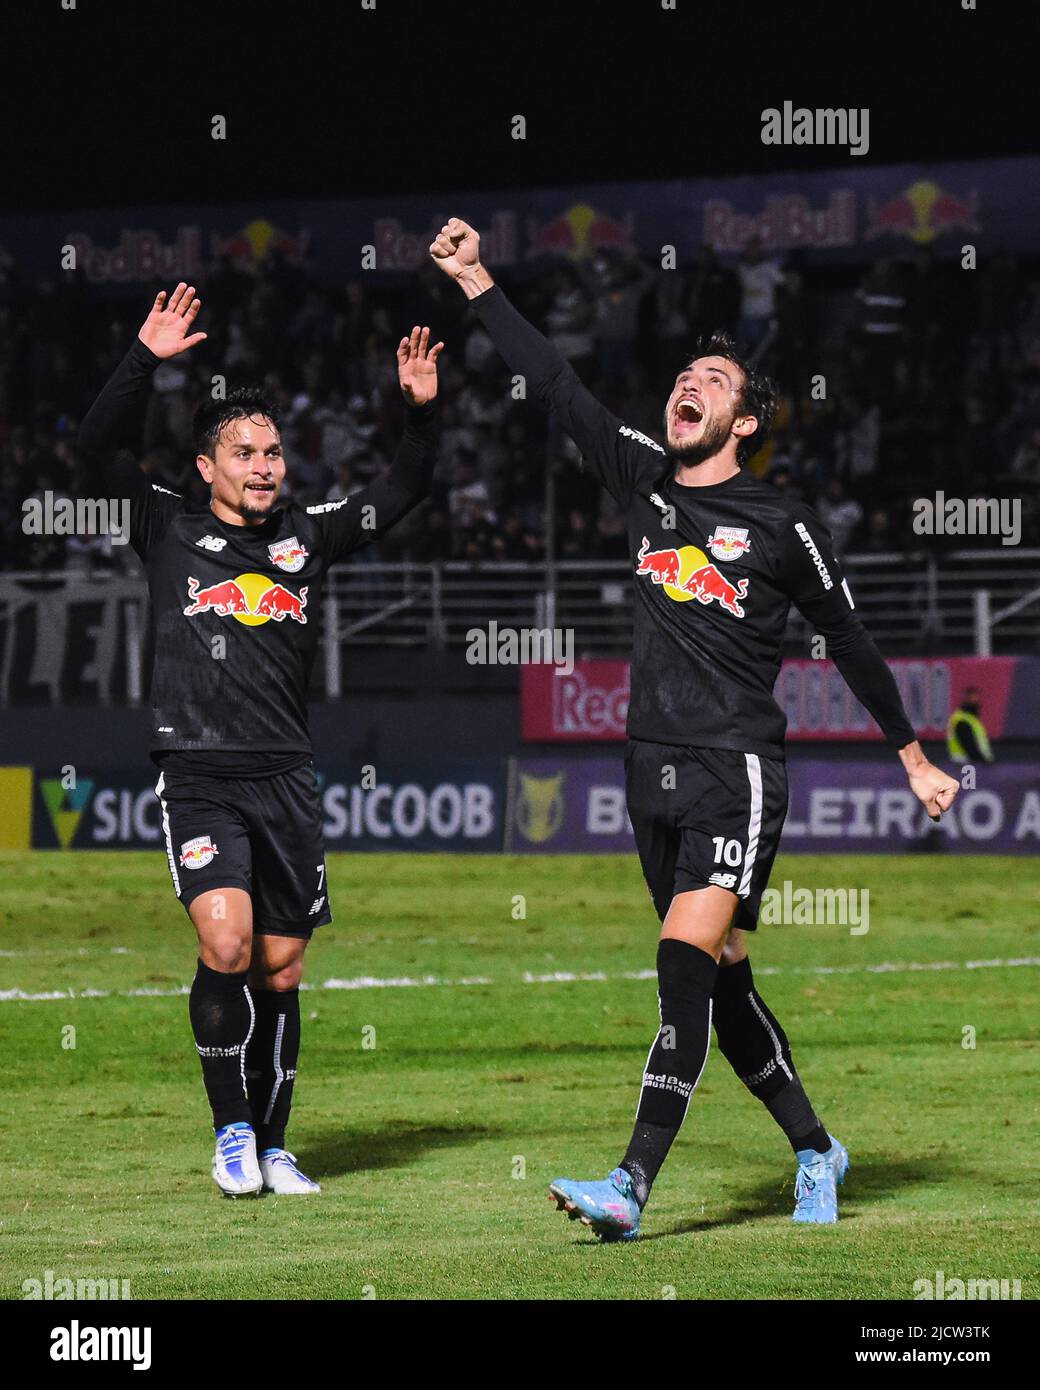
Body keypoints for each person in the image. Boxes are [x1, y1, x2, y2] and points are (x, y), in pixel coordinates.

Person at [430, 218, 959, 1238]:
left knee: (679, 964)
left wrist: (909, 753)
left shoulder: (780, 525)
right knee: (717, 989)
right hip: (650, 772)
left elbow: (845, 638)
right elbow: (555, 385)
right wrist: (478, 281)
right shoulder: (643, 481)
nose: (688, 384)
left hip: (738, 772)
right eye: (683, 374)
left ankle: (629, 1185)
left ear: (745, 421)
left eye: (712, 379)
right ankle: (814, 1147)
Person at [78, 283, 441, 1197]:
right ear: (205, 466)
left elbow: (402, 490)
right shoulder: (166, 525)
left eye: (273, 451)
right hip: (198, 771)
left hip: (287, 778)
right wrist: (143, 358)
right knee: (228, 943)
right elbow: (93, 449)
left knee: (280, 967)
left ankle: (276, 1144)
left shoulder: (304, 539)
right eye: (243, 452)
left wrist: (419, 413)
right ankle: (231, 1132)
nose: (264, 465)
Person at [946, 686, 994, 767]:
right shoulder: (962, 720)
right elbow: (970, 747)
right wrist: (984, 763)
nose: (976, 701)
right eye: (972, 698)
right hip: (967, 766)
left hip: (968, 766)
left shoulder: (971, 719)